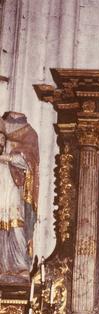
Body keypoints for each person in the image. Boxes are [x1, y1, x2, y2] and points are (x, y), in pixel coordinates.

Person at [0, 112, 39, 281]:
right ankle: (3, 265)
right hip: (1, 179)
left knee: (15, 222)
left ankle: (19, 264)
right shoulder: (2, 132)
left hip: (13, 184)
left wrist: (6, 157)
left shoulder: (28, 135)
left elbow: (28, 163)